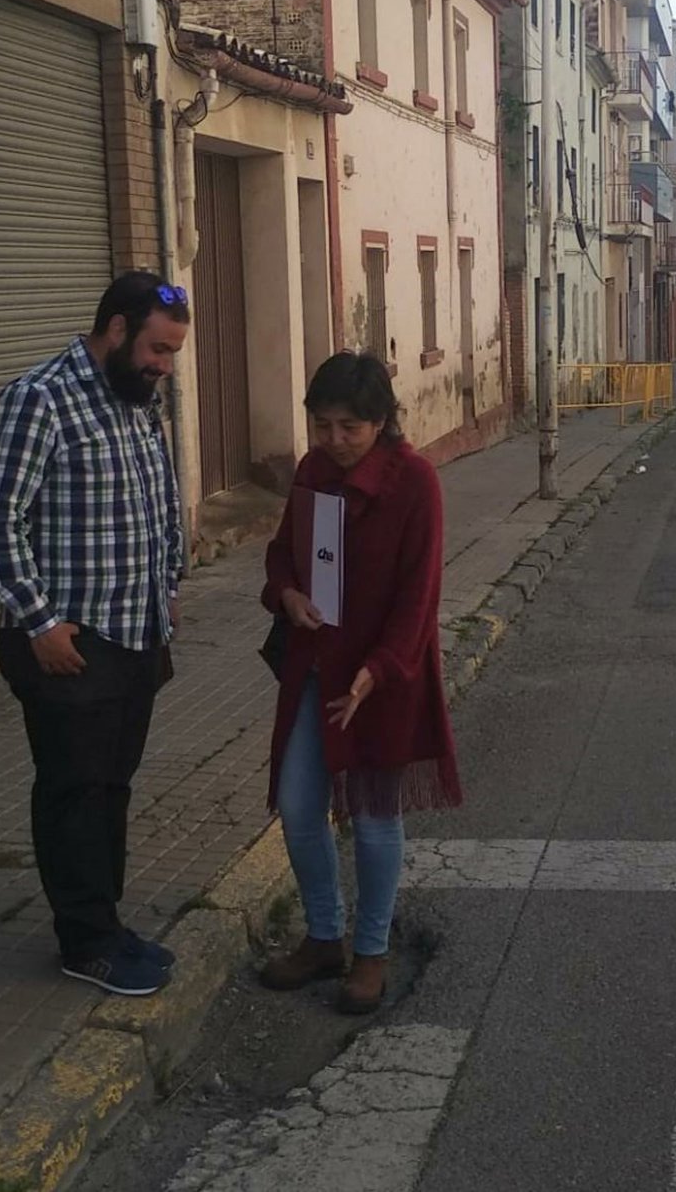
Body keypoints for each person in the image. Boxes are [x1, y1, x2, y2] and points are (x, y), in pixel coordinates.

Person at [0, 271, 190, 997]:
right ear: (117, 329)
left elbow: (160, 499)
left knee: (111, 788)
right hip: (68, 644)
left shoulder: (137, 400)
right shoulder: (38, 399)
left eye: (172, 352)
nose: (164, 365)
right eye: (158, 348)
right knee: (74, 791)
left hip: (135, 634)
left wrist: (169, 584)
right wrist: (38, 621)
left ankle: (106, 922)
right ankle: (85, 942)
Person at [259, 352, 461, 1015]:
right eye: (323, 425)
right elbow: (283, 555)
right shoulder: (313, 472)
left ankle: (370, 951)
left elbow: (418, 596)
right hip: (316, 670)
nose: (336, 440)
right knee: (298, 806)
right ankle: (324, 934)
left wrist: (379, 670)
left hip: (383, 679)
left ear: (381, 421)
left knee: (375, 820)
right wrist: (288, 595)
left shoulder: (415, 482)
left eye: (350, 426)